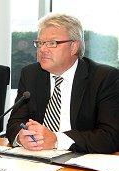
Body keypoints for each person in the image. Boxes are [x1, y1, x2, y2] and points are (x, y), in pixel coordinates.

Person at [6, 13, 119, 154]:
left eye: (52, 43)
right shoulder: (30, 74)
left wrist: (56, 140)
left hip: (81, 159)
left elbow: (110, 136)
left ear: (74, 47)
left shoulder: (103, 78)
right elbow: (14, 124)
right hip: (37, 157)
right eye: (40, 43)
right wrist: (21, 137)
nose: (42, 49)